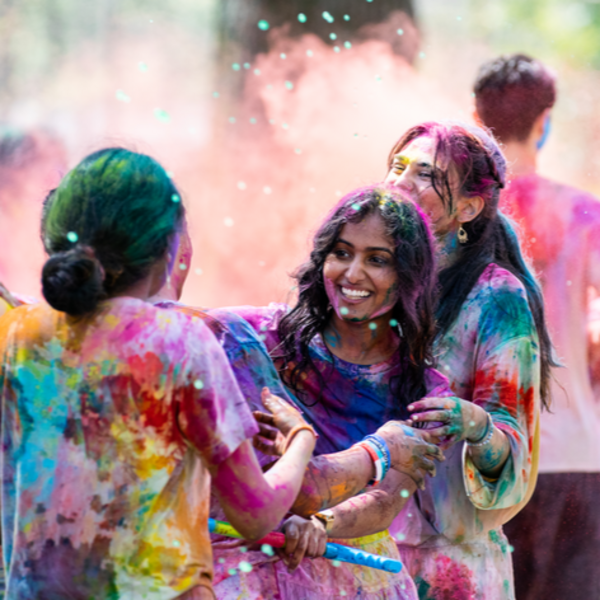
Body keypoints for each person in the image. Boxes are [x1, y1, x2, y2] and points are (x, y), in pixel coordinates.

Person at [0, 147, 319, 599]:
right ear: (168, 249)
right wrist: (301, 439)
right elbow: (255, 514)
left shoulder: (13, 335)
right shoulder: (181, 343)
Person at [210, 185, 453, 599]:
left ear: (409, 278)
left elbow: (388, 499)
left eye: (377, 260)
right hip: (243, 568)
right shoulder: (255, 337)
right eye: (341, 253)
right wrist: (382, 449)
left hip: (353, 575)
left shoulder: (424, 390)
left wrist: (322, 524)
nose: (352, 274)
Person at [378, 121, 554, 599]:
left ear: (469, 209)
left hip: (451, 569)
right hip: (364, 556)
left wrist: (476, 424)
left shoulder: (497, 297)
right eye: (397, 167)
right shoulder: (373, 278)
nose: (399, 182)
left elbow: (513, 454)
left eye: (425, 176)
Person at [474, 54, 600, 599]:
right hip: (575, 456)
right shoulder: (583, 214)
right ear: (544, 120)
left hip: (483, 461)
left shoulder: (462, 217)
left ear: (477, 122)